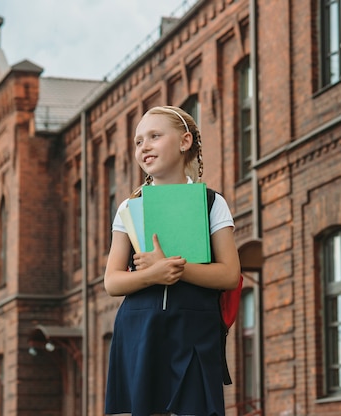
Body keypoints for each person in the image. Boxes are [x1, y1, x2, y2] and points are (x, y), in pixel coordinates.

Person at [104, 105, 241, 416]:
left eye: (154, 136)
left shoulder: (211, 202)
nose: (144, 146)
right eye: (138, 141)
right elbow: (112, 281)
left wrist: (176, 270)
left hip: (193, 331)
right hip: (140, 330)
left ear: (184, 141)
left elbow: (230, 275)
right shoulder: (129, 207)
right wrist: (153, 275)